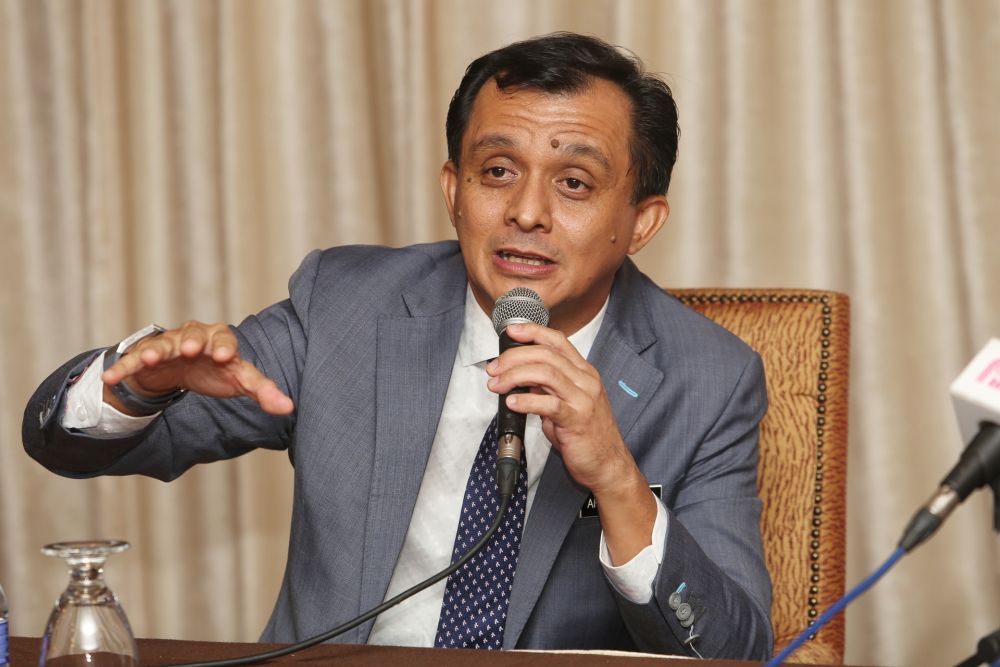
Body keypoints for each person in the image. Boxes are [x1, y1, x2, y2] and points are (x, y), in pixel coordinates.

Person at [23, 32, 772, 659]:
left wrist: (615, 477)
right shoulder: (347, 303)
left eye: (574, 182)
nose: (526, 212)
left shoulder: (708, 377)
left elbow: (733, 647)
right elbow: (68, 444)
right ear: (453, 188)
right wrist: (136, 389)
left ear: (641, 220)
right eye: (498, 171)